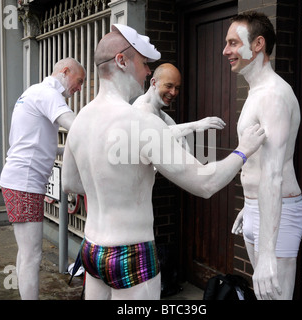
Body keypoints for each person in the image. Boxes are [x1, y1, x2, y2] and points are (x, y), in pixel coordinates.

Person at [61, 24, 265, 300]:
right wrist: (243, 151)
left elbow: (70, 183)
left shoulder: (80, 119)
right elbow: (205, 183)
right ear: (122, 61)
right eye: (144, 63)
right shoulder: (141, 122)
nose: (148, 72)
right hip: (131, 251)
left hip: (92, 249)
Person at [224, 12, 302, 300]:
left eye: (234, 43)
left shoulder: (273, 94)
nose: (226, 51)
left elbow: (273, 172)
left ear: (258, 44)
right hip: (258, 208)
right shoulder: (256, 92)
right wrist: (250, 205)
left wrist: (269, 252)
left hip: (279, 214)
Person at [0, 57, 86, 300]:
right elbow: (75, 126)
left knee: (25, 252)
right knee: (32, 255)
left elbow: (37, 143)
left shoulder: (33, 92)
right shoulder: (49, 94)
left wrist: (65, 151)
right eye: (79, 81)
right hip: (24, 184)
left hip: (18, 181)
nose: (79, 87)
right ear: (65, 71)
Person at [133, 63, 226, 151]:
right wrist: (197, 125)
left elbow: (183, 145)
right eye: (169, 86)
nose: (173, 92)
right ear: (153, 83)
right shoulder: (142, 107)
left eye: (177, 88)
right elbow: (156, 133)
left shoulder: (162, 115)